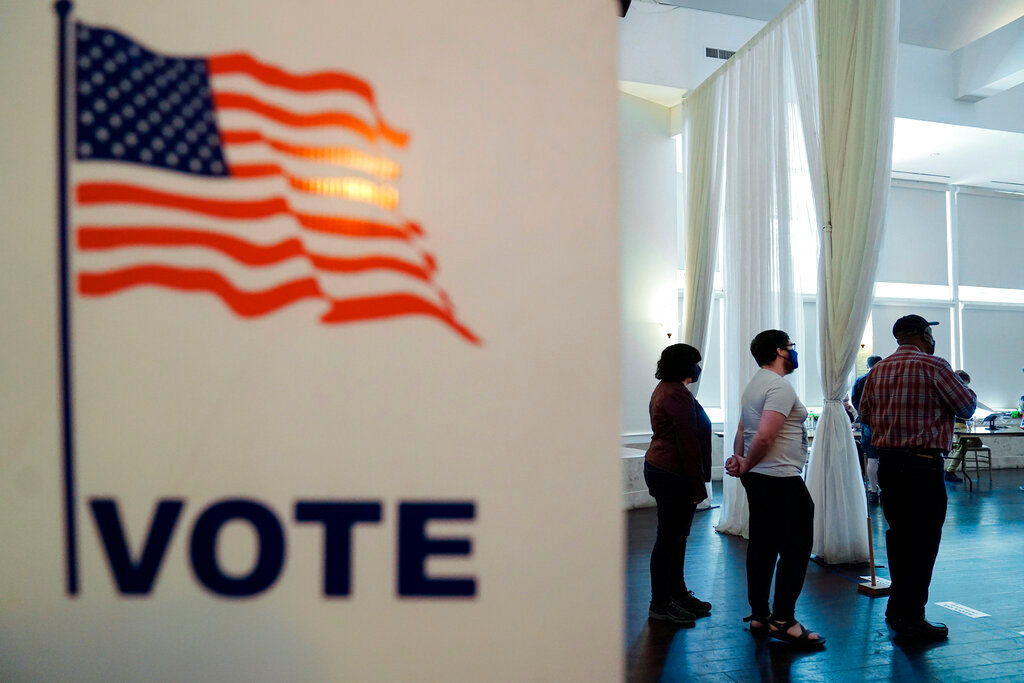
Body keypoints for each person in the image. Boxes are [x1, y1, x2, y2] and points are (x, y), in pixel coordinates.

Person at [859, 315, 976, 641]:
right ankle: (912, 617)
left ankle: (897, 610)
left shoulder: (877, 371)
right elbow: (966, 408)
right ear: (925, 334)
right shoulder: (937, 366)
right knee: (923, 543)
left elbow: (865, 414)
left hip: (890, 466)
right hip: (923, 466)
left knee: (898, 539)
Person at [725, 330, 825, 649]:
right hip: (780, 479)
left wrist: (741, 461)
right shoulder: (778, 386)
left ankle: (759, 616)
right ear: (780, 351)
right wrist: (746, 464)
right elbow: (765, 436)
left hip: (761, 478)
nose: (795, 353)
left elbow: (744, 429)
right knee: (796, 550)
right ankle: (784, 620)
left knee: (763, 546)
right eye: (792, 348)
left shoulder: (755, 384)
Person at [644, 343, 713, 626]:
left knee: (676, 537)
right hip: (671, 472)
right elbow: (687, 442)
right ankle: (661, 603)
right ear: (683, 365)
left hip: (670, 470)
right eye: (695, 363)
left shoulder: (672, 389)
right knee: (669, 539)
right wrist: (698, 486)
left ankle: (677, 594)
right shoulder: (673, 393)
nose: (698, 368)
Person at [852, 355, 883, 502]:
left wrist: (864, 416)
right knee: (887, 458)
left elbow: (855, 401)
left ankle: (873, 490)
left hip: (868, 425)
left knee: (872, 459)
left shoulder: (860, 381)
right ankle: (885, 489)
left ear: (867, 365)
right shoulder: (887, 378)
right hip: (886, 423)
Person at [943, 370, 981, 482]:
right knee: (965, 444)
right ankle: (950, 470)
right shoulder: (958, 393)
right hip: (959, 425)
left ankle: (949, 447)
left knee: (974, 443)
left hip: (958, 425)